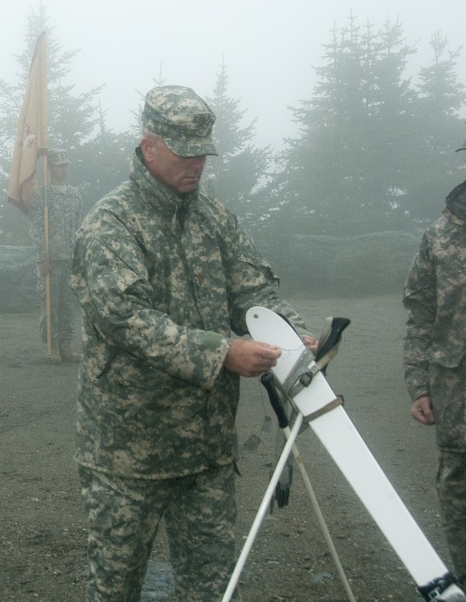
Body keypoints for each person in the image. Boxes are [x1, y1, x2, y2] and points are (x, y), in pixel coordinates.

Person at [69, 86, 315, 601]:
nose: (196, 164)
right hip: (127, 455)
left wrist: (292, 336)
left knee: (213, 587)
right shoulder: (110, 223)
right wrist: (223, 352)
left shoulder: (214, 219)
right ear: (149, 145)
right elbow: (126, 318)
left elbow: (254, 291)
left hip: (205, 452)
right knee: (114, 588)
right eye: (184, 152)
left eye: (203, 152)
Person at [404, 110, 466, 598]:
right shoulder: (441, 232)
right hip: (457, 406)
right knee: (463, 515)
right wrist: (419, 384)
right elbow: (420, 313)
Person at [29, 148, 83, 362]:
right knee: (51, 304)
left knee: (69, 304)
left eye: (66, 165)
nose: (64, 169)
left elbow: (80, 225)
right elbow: (36, 229)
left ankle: (67, 345)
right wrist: (43, 257)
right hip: (51, 259)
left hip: (71, 257)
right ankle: (52, 346)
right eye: (60, 165)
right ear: (50, 168)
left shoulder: (74, 194)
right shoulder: (41, 196)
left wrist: (80, 256)